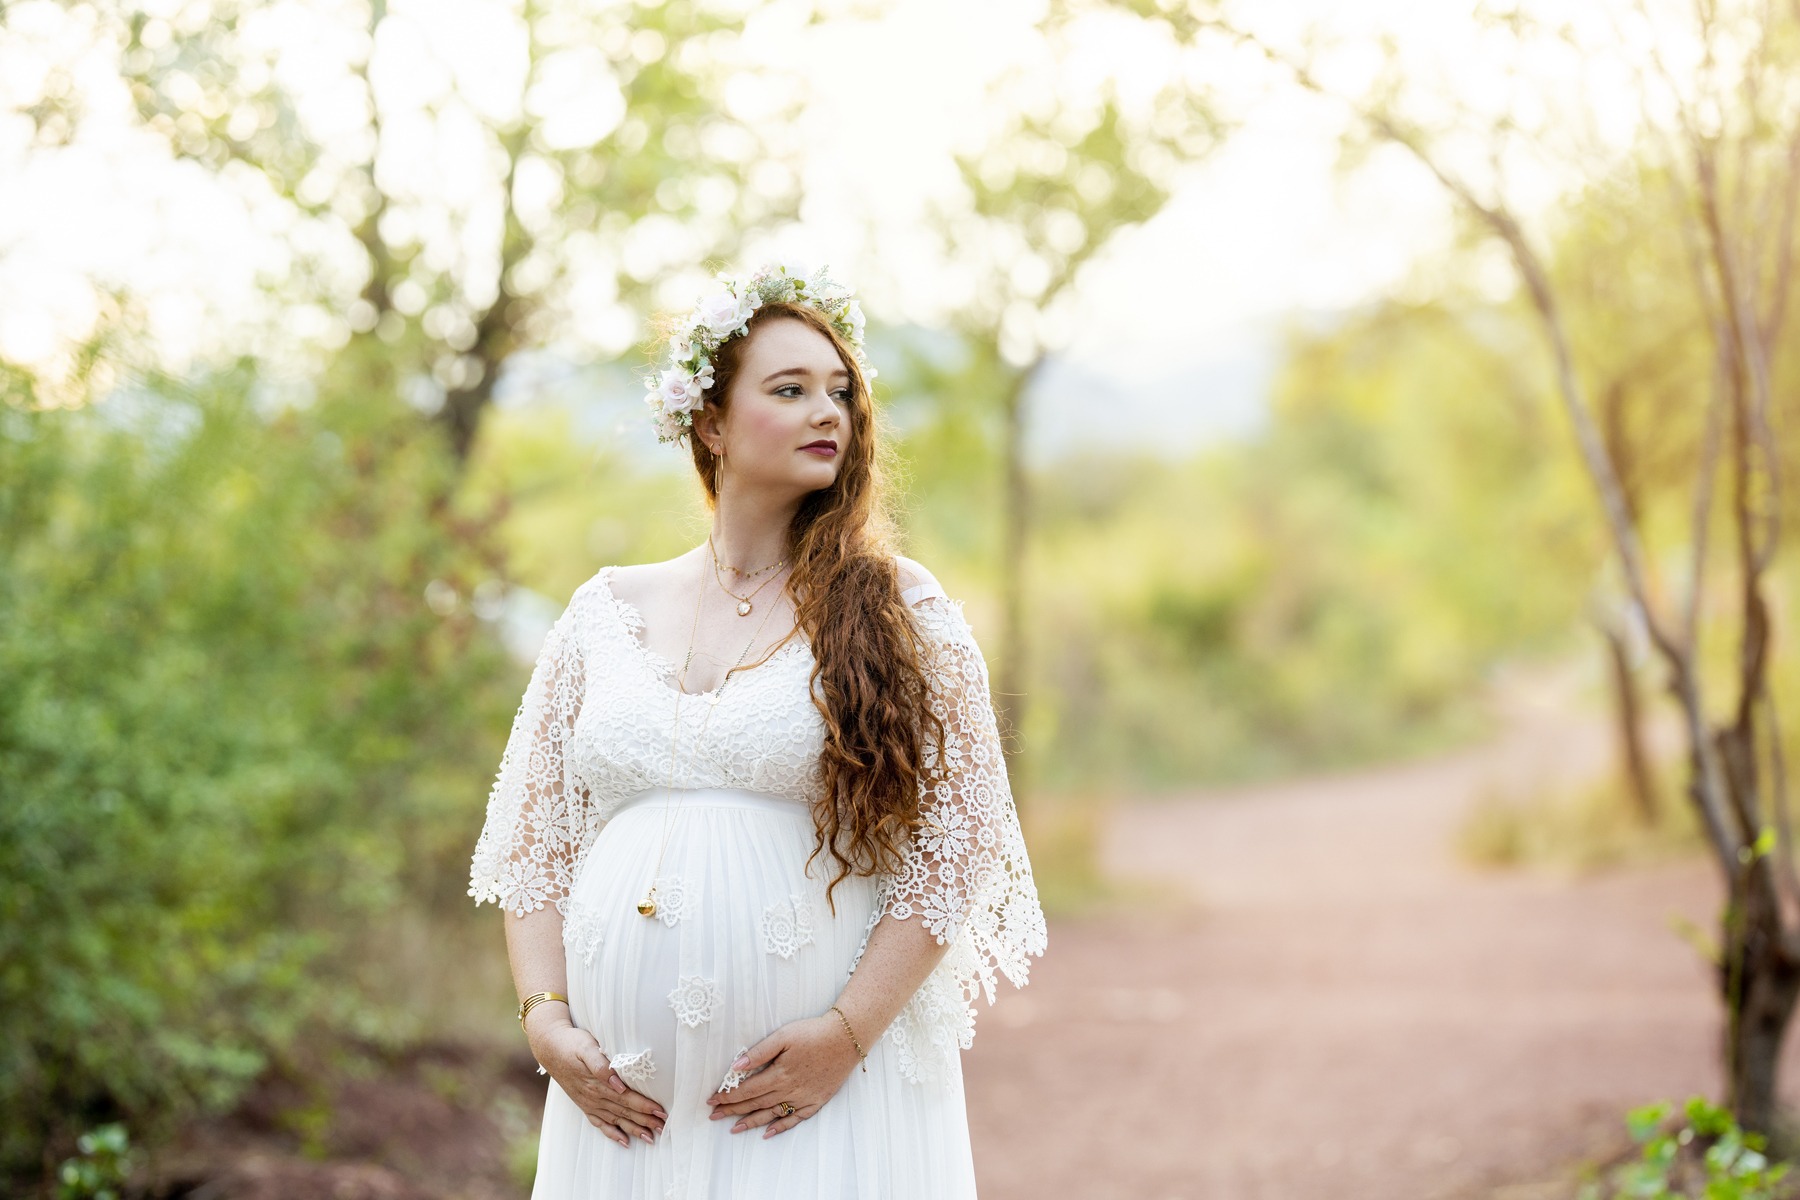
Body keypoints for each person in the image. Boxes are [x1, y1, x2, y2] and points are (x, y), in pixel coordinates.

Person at [468, 261, 1048, 1198]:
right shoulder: (603, 610)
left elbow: (962, 842)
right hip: (622, 1114)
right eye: (790, 390)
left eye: (841, 393)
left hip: (819, 1098)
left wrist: (847, 1035)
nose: (830, 412)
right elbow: (532, 845)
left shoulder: (897, 605)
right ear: (709, 422)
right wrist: (545, 1020)